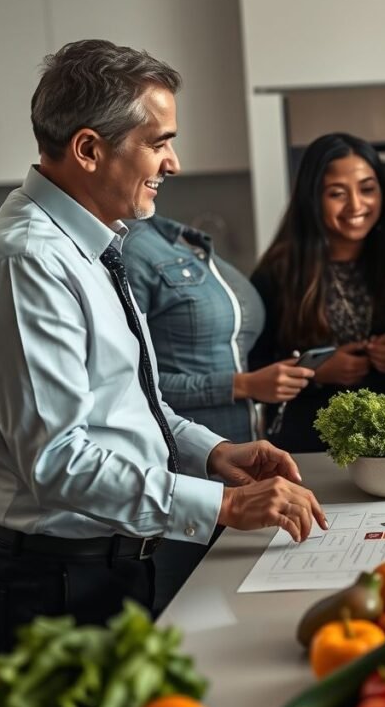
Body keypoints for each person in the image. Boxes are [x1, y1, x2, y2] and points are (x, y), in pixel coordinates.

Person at [0, 39, 326, 654]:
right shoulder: (26, 261)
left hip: (114, 562)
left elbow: (131, 405)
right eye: (158, 142)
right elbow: (60, 461)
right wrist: (224, 505)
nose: (173, 162)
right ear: (88, 149)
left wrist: (214, 454)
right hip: (59, 582)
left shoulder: (91, 243)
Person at [123, 214, 313, 597]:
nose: (172, 163)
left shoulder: (185, 242)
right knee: (189, 607)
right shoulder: (130, 252)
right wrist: (244, 385)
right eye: (158, 148)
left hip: (231, 462)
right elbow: (140, 391)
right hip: (180, 478)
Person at [250, 132, 385, 453]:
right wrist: (315, 372)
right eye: (337, 193)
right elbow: (252, 368)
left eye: (367, 189)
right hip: (309, 441)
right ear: (312, 198)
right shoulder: (279, 271)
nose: (357, 205)